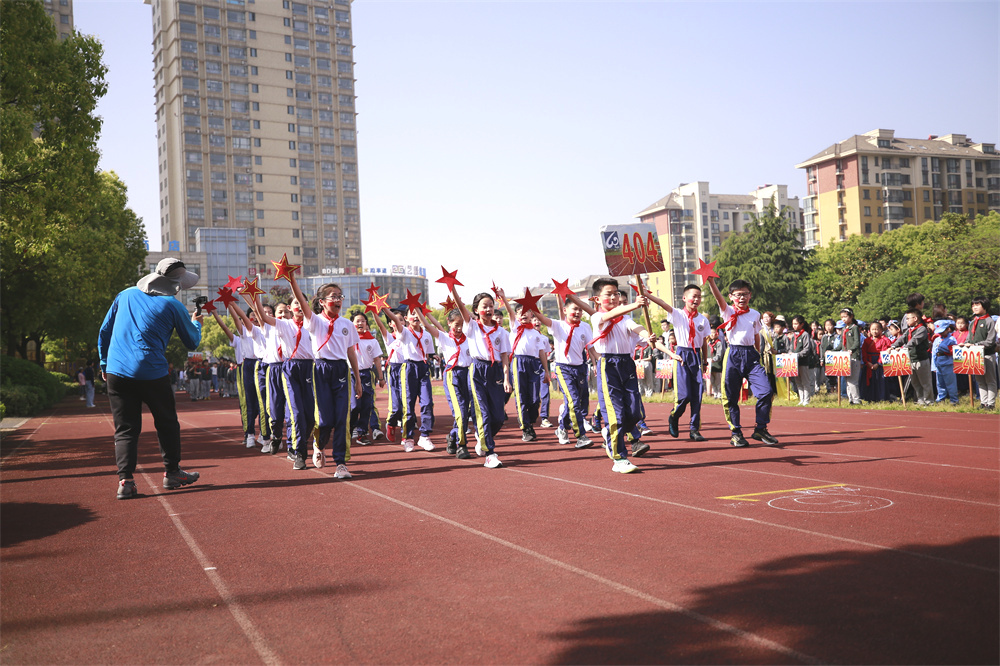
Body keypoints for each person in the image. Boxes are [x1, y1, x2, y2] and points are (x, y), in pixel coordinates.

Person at [98, 258, 202, 500]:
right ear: (175, 283)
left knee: (125, 428)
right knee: (166, 422)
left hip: (117, 371)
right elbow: (192, 342)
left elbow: (104, 331)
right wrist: (196, 324)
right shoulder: (173, 305)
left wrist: (104, 363)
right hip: (152, 372)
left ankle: (125, 481)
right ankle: (172, 473)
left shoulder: (125, 294)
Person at [567, 278, 649, 473]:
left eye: (616, 293)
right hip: (608, 364)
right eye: (608, 294)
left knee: (635, 412)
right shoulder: (596, 317)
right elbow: (611, 314)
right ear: (597, 299)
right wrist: (635, 304)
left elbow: (638, 330)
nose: (614, 297)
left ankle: (608, 434)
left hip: (627, 365)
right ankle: (619, 458)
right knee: (616, 414)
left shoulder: (626, 319)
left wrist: (648, 336)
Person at [445, 281, 512, 469]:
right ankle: (490, 453)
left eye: (491, 306)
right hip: (477, 370)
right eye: (484, 306)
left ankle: (482, 437)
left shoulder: (502, 332)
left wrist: (506, 379)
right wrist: (452, 289)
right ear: (476, 310)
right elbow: (460, 305)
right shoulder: (472, 326)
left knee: (498, 417)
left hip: (496, 372)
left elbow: (505, 357)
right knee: (482, 413)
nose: (489, 309)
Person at [705, 275, 777, 448]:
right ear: (731, 297)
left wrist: (758, 353)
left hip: (751, 355)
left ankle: (760, 428)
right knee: (731, 397)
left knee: (766, 392)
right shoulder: (728, 311)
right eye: (738, 294)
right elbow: (718, 298)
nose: (742, 298)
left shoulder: (755, 314)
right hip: (733, 355)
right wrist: (711, 282)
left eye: (745, 294)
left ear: (750, 295)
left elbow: (756, 335)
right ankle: (736, 432)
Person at [645, 285, 710, 441]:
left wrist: (705, 361)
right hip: (681, 355)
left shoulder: (702, 320)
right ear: (684, 298)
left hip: (696, 356)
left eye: (699, 297)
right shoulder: (679, 315)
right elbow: (663, 304)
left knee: (697, 395)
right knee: (684, 395)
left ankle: (694, 429)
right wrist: (648, 295)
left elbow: (704, 343)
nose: (696, 299)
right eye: (693, 296)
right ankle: (674, 416)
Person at [531, 299, 594, 450]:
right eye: (574, 309)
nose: (578, 312)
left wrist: (597, 363)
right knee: (573, 400)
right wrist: (531, 307)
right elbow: (543, 319)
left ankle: (561, 428)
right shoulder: (558, 325)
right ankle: (581, 436)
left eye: (580, 309)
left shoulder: (585, 327)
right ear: (565, 310)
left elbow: (591, 348)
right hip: (563, 368)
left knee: (574, 402)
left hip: (580, 368)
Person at [416, 307, 472, 459]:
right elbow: (428, 326)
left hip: (467, 375)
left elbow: (474, 320)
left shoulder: (470, 337)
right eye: (456, 325)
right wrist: (417, 309)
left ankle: (453, 436)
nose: (459, 328)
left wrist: (462, 307)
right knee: (459, 412)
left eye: (462, 325)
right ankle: (462, 445)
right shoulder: (445, 338)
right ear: (449, 323)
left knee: (466, 413)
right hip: (452, 375)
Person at [496, 291, 548, 443]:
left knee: (534, 398)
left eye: (526, 312)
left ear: (532, 314)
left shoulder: (536, 333)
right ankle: (525, 428)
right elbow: (510, 311)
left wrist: (545, 370)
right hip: (518, 362)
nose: (523, 315)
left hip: (533, 364)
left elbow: (542, 353)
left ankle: (530, 420)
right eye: (520, 313)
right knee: (521, 397)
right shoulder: (515, 327)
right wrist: (504, 298)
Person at [383, 306, 437, 452]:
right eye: (412, 314)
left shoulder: (426, 334)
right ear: (406, 319)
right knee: (408, 404)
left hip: (423, 368)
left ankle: (425, 435)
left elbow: (429, 352)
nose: (415, 316)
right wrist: (383, 308)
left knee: (427, 402)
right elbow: (395, 319)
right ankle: (408, 437)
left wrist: (433, 356)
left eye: (418, 313)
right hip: (408, 368)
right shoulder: (405, 332)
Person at [349, 313, 385, 446]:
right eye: (357, 321)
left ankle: (362, 433)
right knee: (354, 406)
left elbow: (377, 360)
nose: (360, 323)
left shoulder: (372, 341)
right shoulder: (347, 338)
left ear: (366, 324)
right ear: (352, 323)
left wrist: (381, 377)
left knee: (366, 405)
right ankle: (350, 427)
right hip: (351, 373)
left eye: (363, 321)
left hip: (366, 374)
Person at [891, 310, 933, 406]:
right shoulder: (910, 330)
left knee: (925, 382)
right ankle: (920, 400)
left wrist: (905, 348)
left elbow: (914, 341)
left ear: (915, 318)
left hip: (921, 359)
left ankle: (929, 401)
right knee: (915, 383)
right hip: (911, 359)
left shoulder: (922, 329)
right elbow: (902, 339)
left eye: (908, 318)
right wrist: (893, 346)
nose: (906, 321)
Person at [966, 296, 997, 409]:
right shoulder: (973, 321)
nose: (975, 307)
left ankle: (991, 403)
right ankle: (983, 402)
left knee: (990, 380)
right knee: (980, 380)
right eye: (973, 305)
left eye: (977, 305)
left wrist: (977, 345)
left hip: (987, 354)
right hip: (975, 355)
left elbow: (991, 340)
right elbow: (969, 338)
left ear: (985, 306)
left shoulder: (989, 321)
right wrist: (965, 344)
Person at [789, 315, 817, 406]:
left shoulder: (805, 335)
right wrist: (789, 354)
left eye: (796, 324)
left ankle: (807, 399)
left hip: (803, 361)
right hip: (794, 362)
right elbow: (791, 347)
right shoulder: (794, 335)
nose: (794, 326)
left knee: (805, 381)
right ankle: (801, 399)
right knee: (798, 381)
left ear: (801, 324)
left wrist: (797, 355)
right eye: (793, 324)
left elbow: (807, 349)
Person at [861, 321, 891, 403]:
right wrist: (867, 362)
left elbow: (885, 352)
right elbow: (864, 352)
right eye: (872, 329)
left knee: (881, 380)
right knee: (870, 380)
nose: (875, 331)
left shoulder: (885, 340)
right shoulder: (867, 340)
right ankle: (869, 398)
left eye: (877, 329)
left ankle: (881, 397)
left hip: (880, 361)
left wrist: (878, 363)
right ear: (869, 330)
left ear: (881, 330)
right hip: (869, 361)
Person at [839, 308, 863, 405]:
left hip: (853, 356)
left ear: (851, 316)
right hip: (845, 357)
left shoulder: (854, 328)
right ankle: (851, 399)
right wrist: (833, 350)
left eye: (845, 316)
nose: (843, 319)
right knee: (847, 380)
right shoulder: (844, 329)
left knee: (853, 380)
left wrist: (851, 350)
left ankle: (856, 399)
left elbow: (857, 342)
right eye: (842, 317)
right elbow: (841, 344)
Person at [932, 320, 959, 405]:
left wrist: (942, 346)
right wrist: (933, 366)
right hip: (938, 363)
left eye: (942, 331)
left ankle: (954, 399)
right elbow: (933, 353)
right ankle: (940, 398)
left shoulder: (952, 339)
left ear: (948, 329)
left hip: (948, 363)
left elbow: (952, 351)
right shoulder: (936, 340)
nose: (941, 333)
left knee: (950, 382)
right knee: (940, 383)